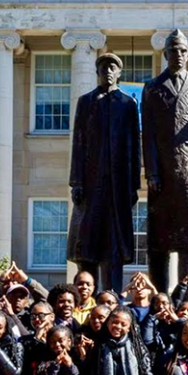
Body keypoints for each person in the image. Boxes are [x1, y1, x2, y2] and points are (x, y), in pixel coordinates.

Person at [142, 29, 188, 292]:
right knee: (159, 241)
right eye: (174, 50)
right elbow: (148, 133)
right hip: (162, 174)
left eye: (183, 50)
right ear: (165, 54)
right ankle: (159, 296)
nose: (179, 55)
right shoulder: (152, 88)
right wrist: (151, 172)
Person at [68, 51, 141, 294]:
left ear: (119, 73)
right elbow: (78, 144)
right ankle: (84, 296)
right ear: (97, 72)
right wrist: (76, 182)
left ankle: (112, 296)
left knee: (114, 246)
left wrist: (133, 185)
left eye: (112, 67)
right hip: (91, 184)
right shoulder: (86, 102)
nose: (108, 71)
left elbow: (135, 147)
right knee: (86, 244)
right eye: (104, 67)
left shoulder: (128, 104)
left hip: (118, 187)